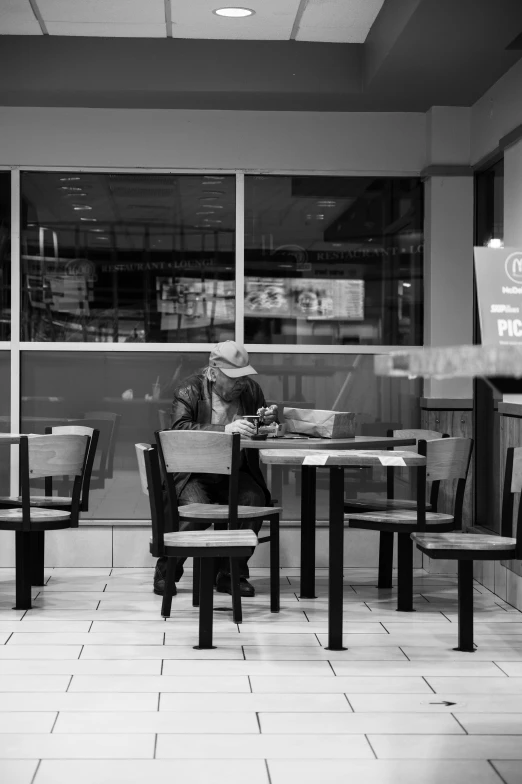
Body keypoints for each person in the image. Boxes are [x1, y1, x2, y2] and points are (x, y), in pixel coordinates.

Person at [153, 340, 278, 598]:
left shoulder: (251, 390)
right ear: (212, 373)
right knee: (195, 511)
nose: (241, 382)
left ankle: (230, 574)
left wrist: (266, 421)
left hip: (236, 471)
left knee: (253, 502)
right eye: (234, 377)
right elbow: (178, 430)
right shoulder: (189, 390)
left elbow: (256, 432)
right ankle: (168, 569)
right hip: (193, 473)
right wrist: (225, 430)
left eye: (244, 376)